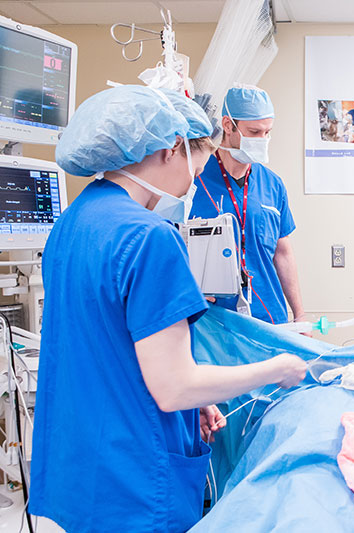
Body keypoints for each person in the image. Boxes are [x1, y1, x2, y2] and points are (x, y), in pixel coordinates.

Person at [29, 85, 307, 532]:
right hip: (133, 482)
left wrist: (194, 404)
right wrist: (277, 367)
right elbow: (175, 386)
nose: (194, 183)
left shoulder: (74, 221)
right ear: (173, 147)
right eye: (194, 170)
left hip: (77, 469)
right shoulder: (149, 236)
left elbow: (111, 345)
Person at [191, 85, 306, 325]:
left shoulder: (272, 184)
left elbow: (283, 252)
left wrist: (299, 314)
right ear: (228, 125)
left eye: (267, 132)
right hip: (212, 319)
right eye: (254, 132)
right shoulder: (194, 180)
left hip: (269, 316)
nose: (262, 140)